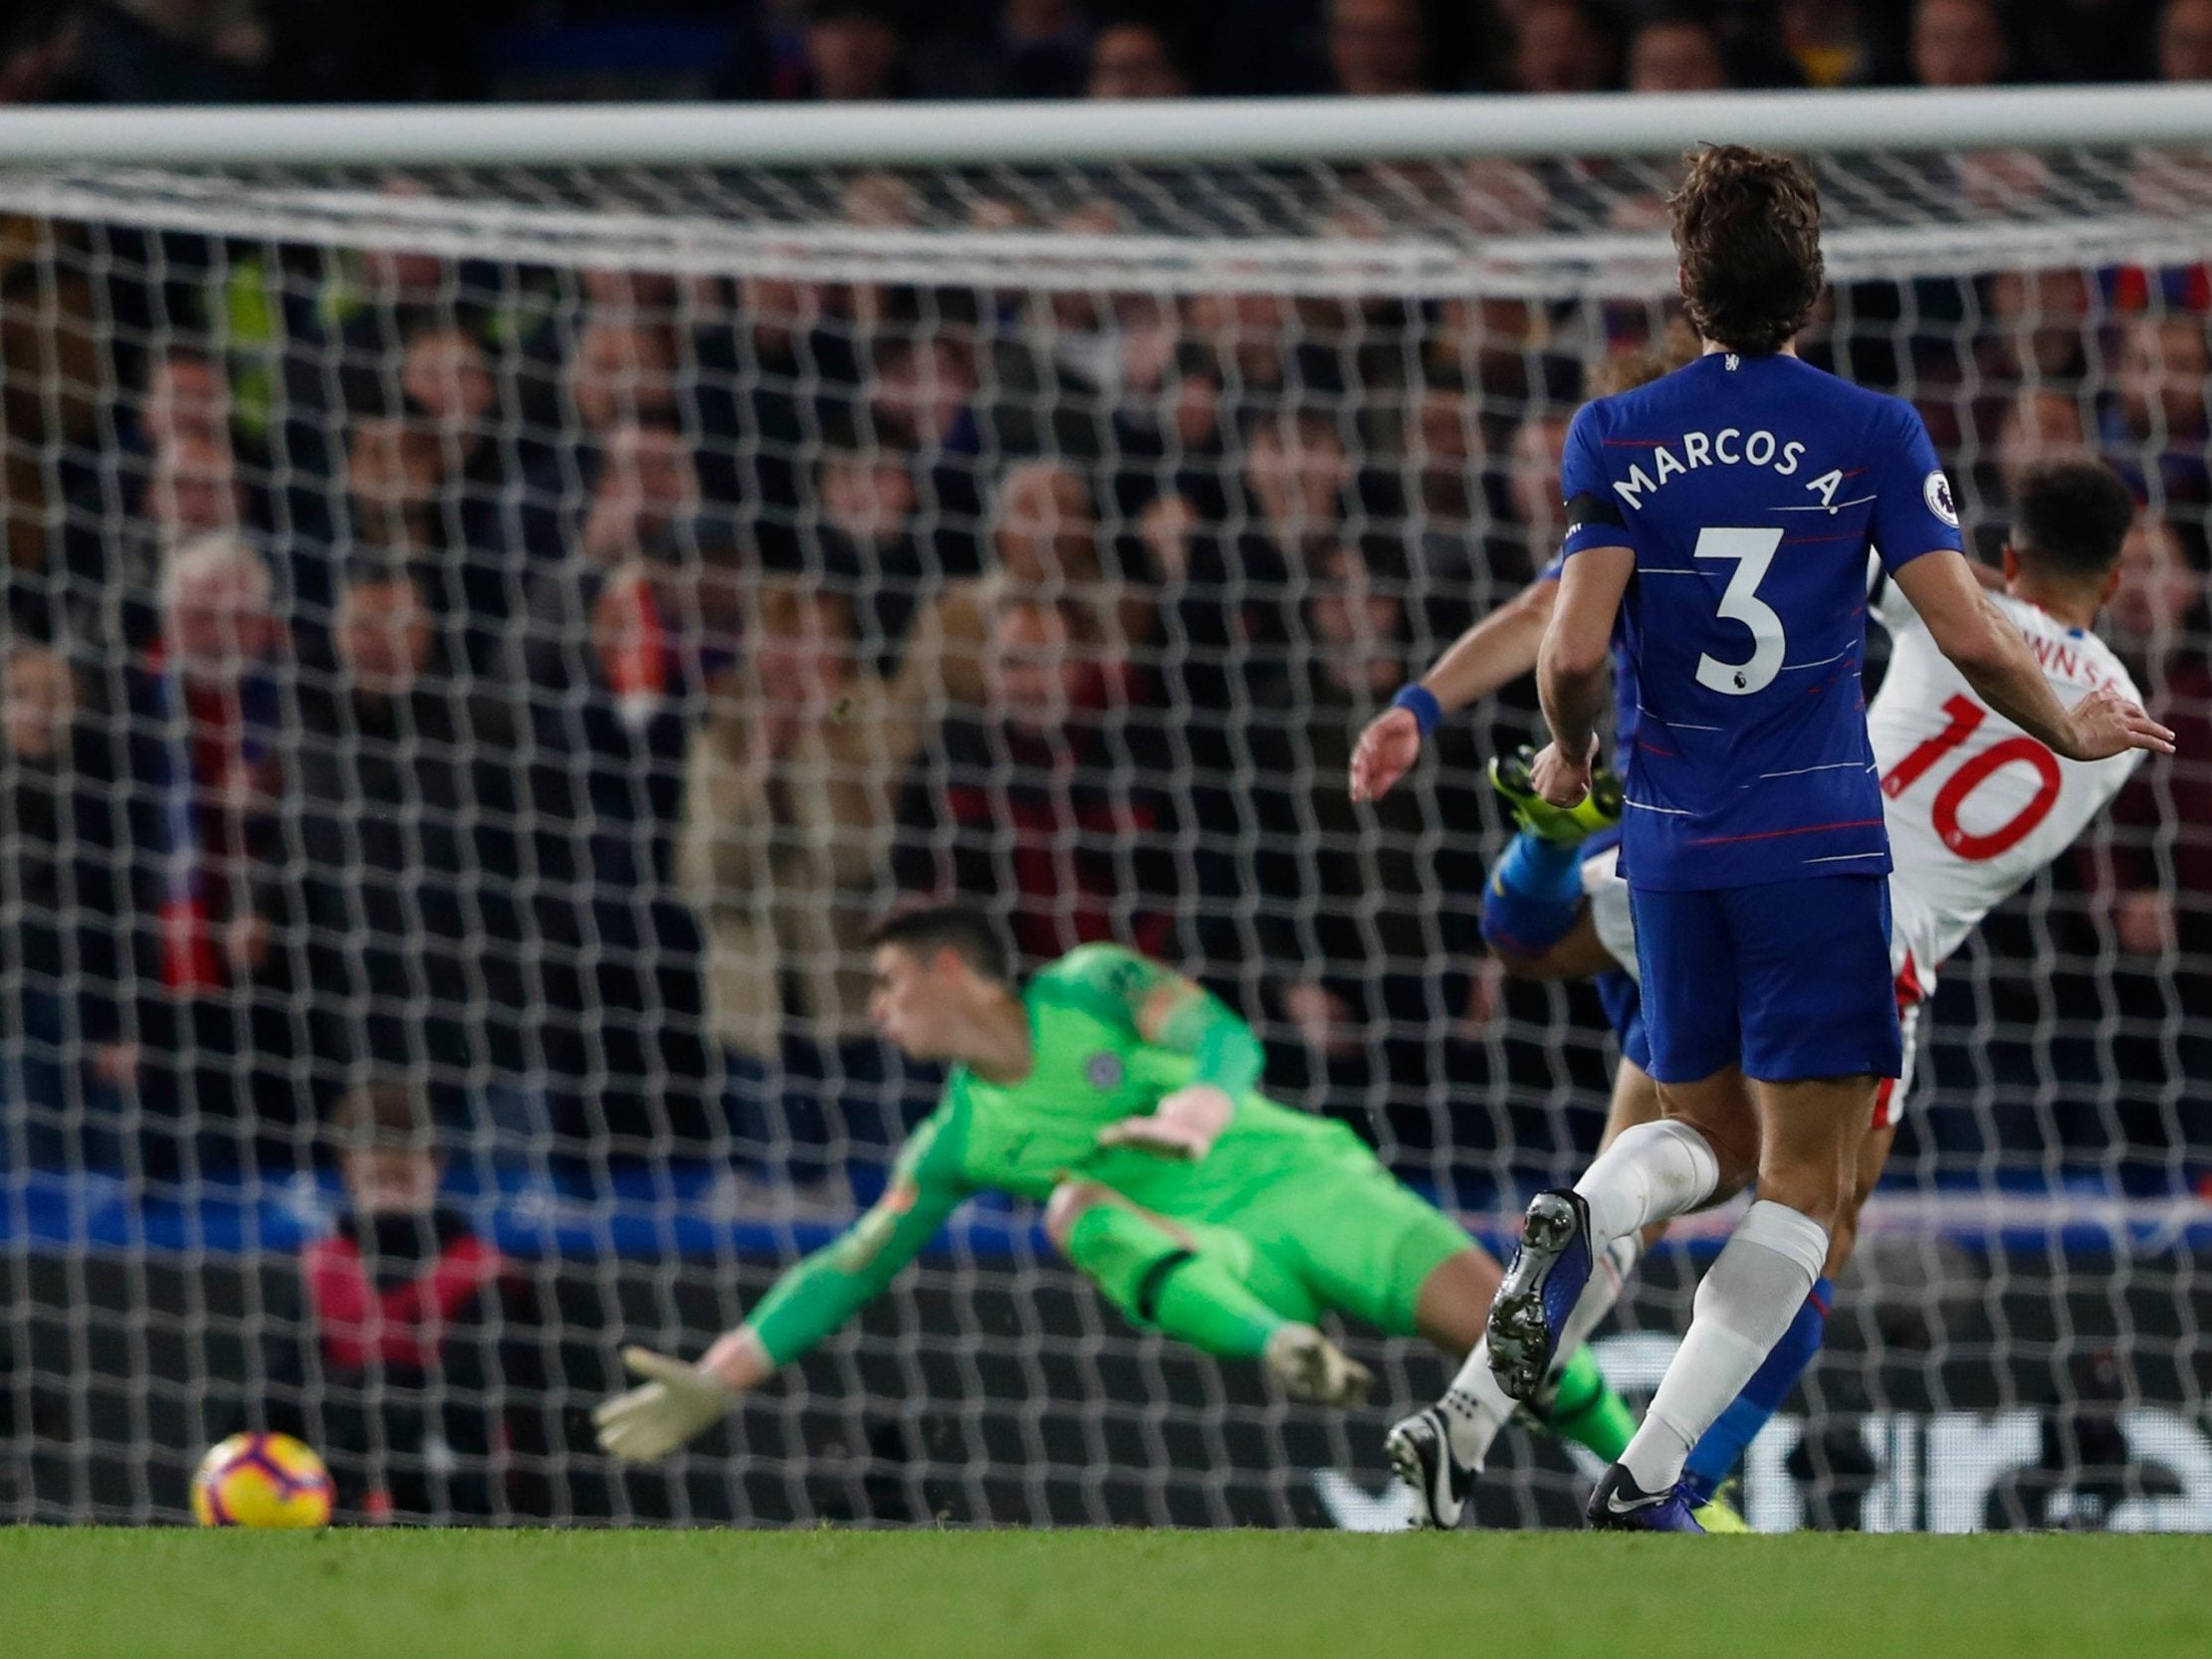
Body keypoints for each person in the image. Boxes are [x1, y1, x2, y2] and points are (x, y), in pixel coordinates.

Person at [1385, 144, 2169, 1533]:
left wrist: (1551, 739)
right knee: (1805, 1205)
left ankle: (1477, 1404)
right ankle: (1658, 1476)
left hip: (1670, 845)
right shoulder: (1880, 447)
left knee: (1667, 1123)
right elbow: (1986, 644)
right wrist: (2075, 725)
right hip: (1833, 875)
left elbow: (1567, 636)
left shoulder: (1617, 430)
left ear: (1683, 284)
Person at [591, 906, 1641, 1488]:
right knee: (1070, 1204)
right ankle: (1277, 1343)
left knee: (1529, 1354)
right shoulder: (954, 1137)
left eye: (885, 983)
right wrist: (717, 1376)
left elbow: (1226, 1037)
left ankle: (1685, 1504)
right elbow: (848, 1263)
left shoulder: (1091, 983)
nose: (874, 1012)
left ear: (950, 968)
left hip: (1303, 1181)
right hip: (1210, 1255)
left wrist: (1194, 1105)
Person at [237, 1077, 552, 1522]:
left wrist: (361, 1395)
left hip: (458, 1498)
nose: (388, 1194)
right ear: (347, 1170)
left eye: (401, 1179)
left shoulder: (480, 1275)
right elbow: (279, 1393)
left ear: (435, 1168)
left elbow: (481, 1406)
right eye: (376, 1179)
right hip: (330, 1491)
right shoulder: (316, 1271)